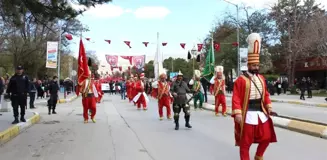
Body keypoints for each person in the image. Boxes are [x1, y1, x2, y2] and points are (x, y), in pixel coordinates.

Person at [232, 33, 277, 160]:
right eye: (254, 66)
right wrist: (238, 114)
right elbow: (236, 98)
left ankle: (258, 156)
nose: (256, 68)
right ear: (249, 66)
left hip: (260, 112)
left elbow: (266, 94)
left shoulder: (262, 78)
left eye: (257, 66)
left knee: (267, 137)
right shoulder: (240, 80)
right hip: (247, 114)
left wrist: (269, 107)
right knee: (245, 143)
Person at [78, 58, 98, 123]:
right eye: (88, 75)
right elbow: (80, 89)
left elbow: (95, 89)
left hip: (92, 96)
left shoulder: (92, 82)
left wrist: (97, 96)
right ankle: (86, 119)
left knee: (94, 107)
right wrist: (82, 91)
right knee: (85, 108)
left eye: (89, 75)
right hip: (86, 96)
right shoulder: (83, 82)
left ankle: (92, 117)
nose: (89, 76)